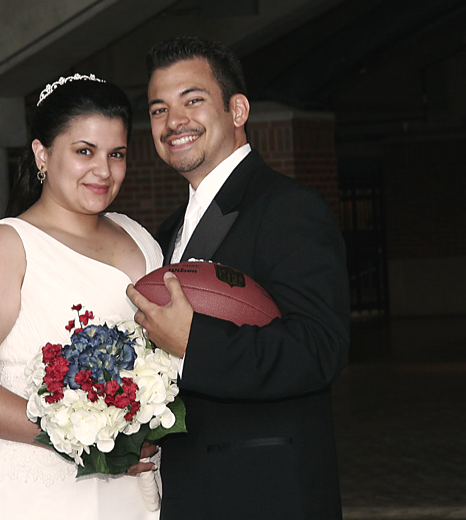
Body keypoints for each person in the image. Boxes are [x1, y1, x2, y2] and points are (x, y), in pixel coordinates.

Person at [126, 37, 350, 519]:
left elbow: (320, 347)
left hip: (265, 491)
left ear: (238, 109)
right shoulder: (168, 232)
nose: (173, 122)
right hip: (192, 489)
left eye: (193, 101)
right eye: (159, 109)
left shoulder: (288, 208)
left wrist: (194, 344)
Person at [0, 74, 163, 520]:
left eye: (117, 154)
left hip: (132, 485)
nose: (104, 170)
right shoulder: (3, 248)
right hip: (32, 490)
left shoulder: (139, 238)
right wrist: (78, 436)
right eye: (84, 152)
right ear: (42, 154)